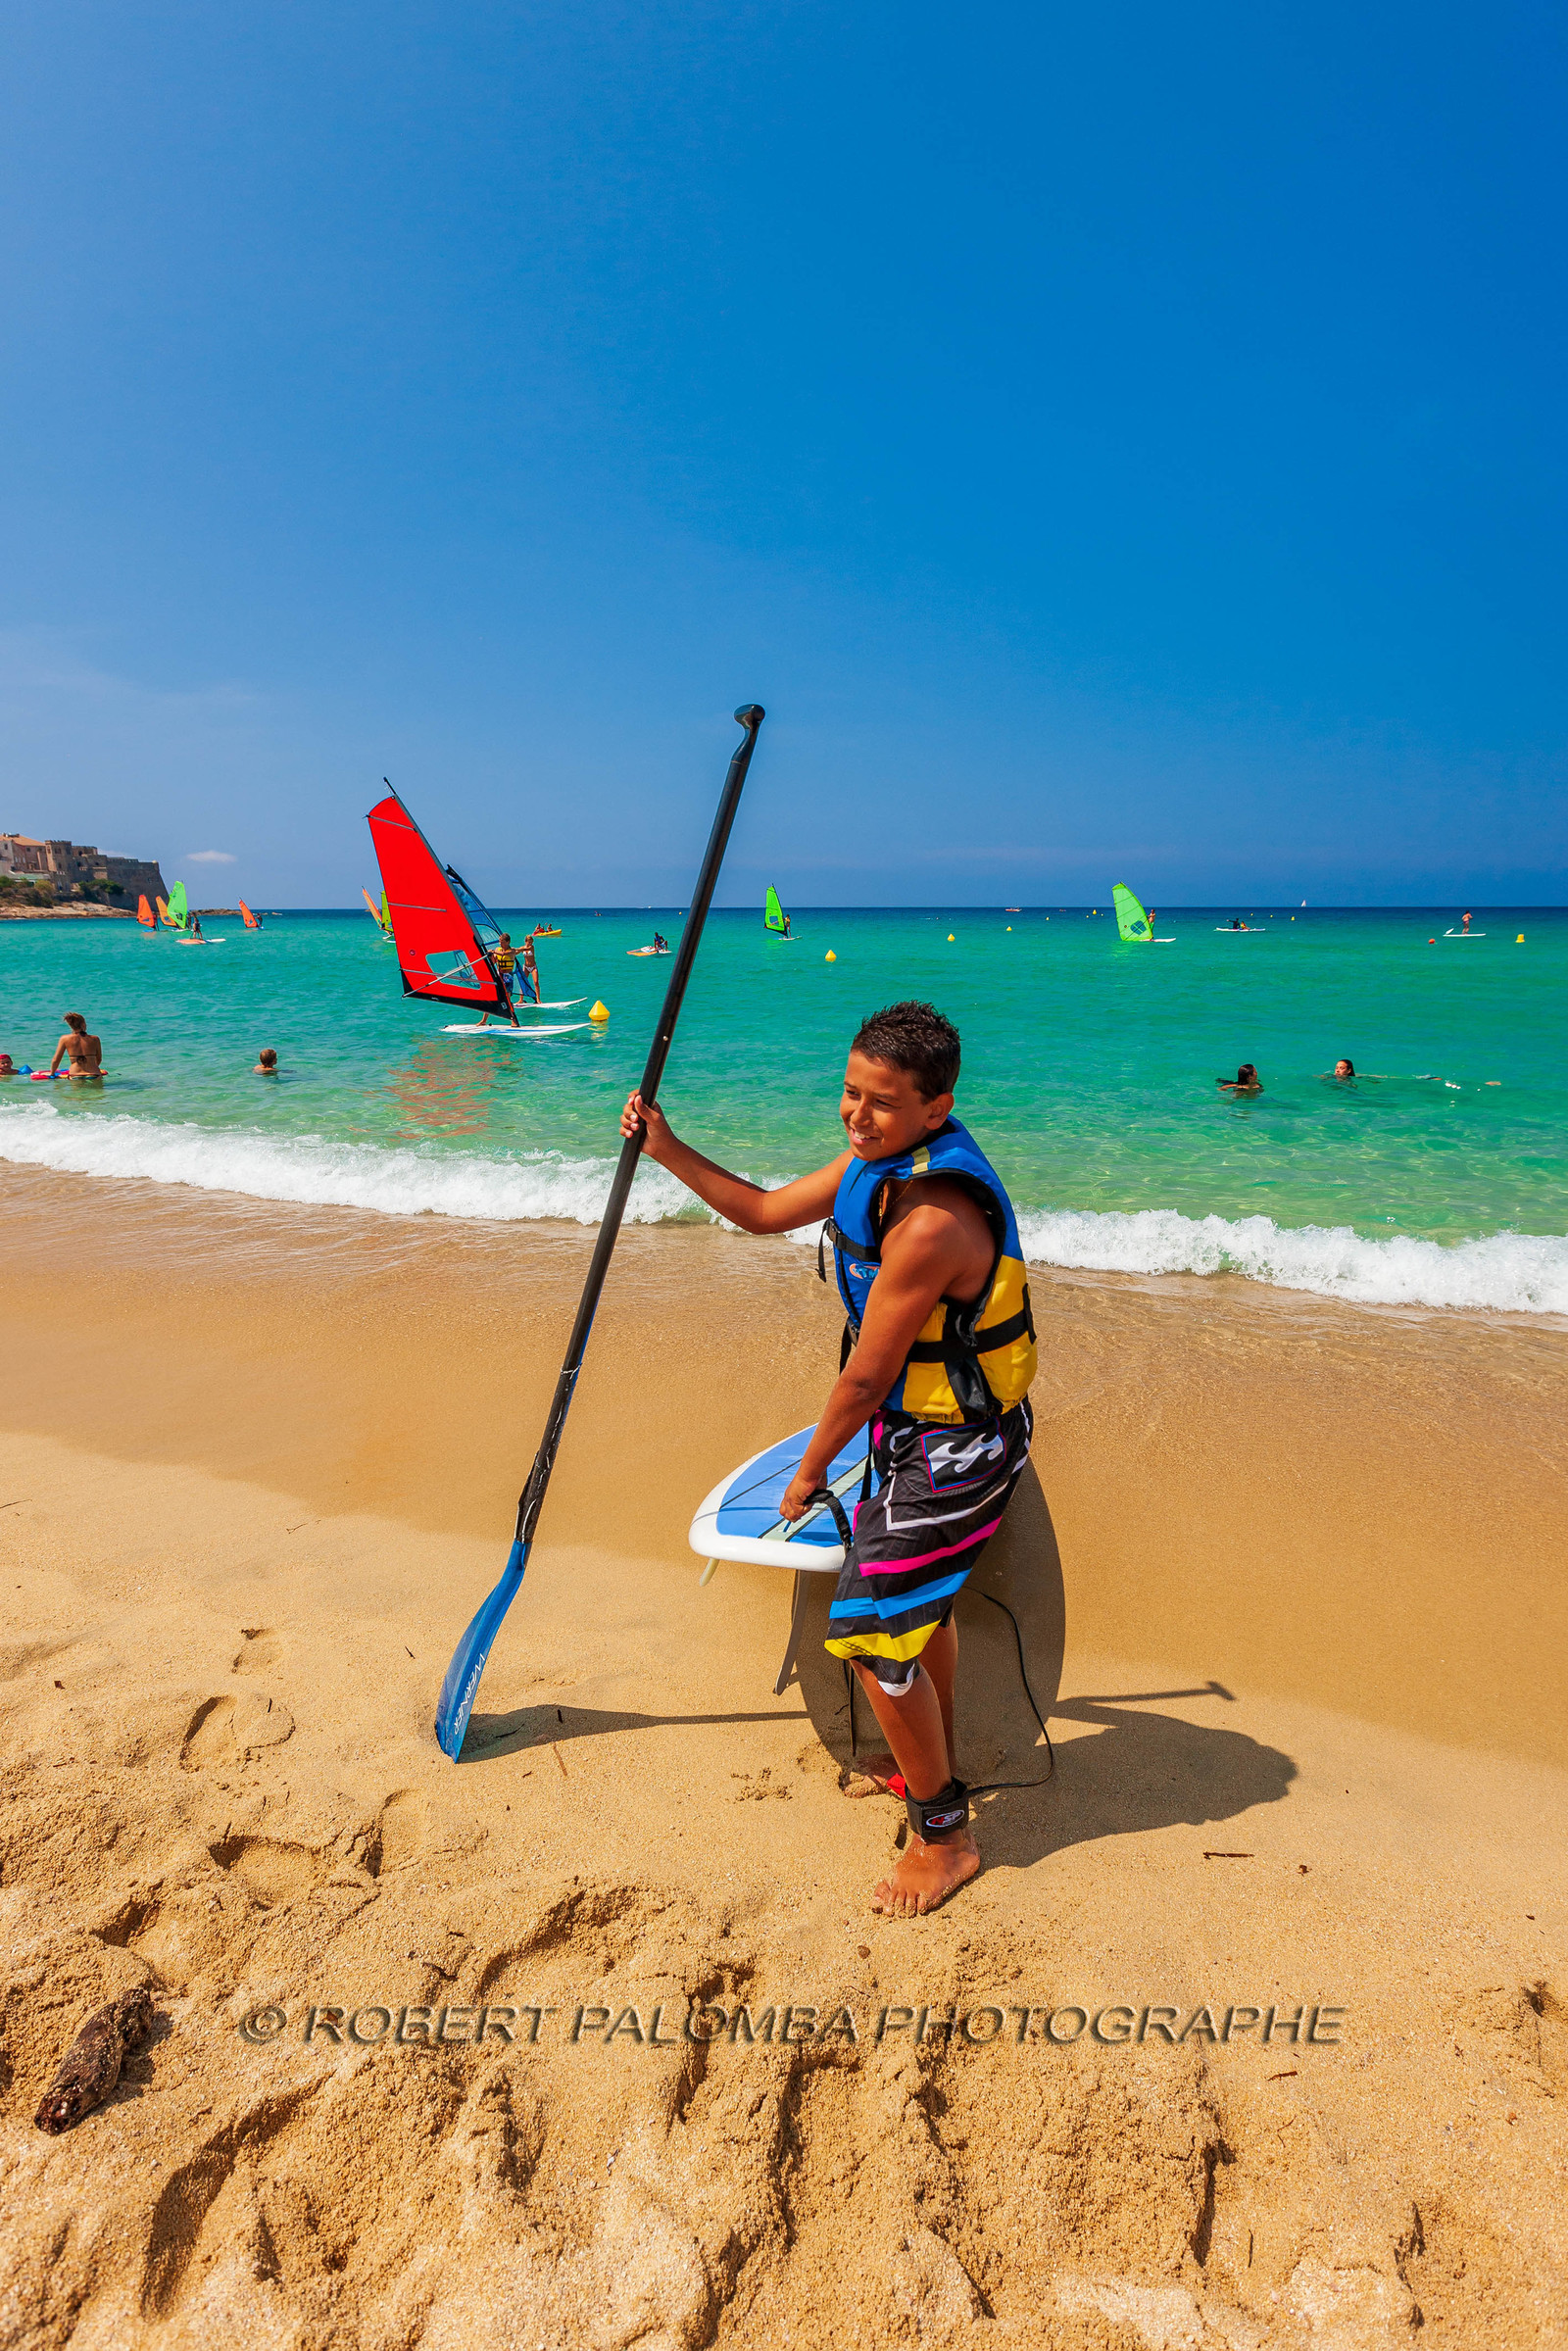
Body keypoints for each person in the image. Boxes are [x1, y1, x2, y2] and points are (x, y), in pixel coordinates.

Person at [620, 1001, 1037, 1920]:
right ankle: (924, 1763)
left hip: (959, 1447)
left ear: (936, 1108)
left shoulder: (930, 1220)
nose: (857, 1113)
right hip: (911, 1431)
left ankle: (945, 1835)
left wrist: (808, 1473)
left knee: (870, 1634)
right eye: (851, 1091)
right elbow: (765, 1212)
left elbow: (865, 1378)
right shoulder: (873, 1165)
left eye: (881, 1101)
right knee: (912, 1618)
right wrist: (666, 1146)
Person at [50, 1013, 104, 1080]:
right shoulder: (95, 1039)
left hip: (75, 1075)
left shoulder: (64, 1039)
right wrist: (92, 1068)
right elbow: (99, 1059)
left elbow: (56, 1060)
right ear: (83, 1024)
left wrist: (52, 1074)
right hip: (94, 1075)